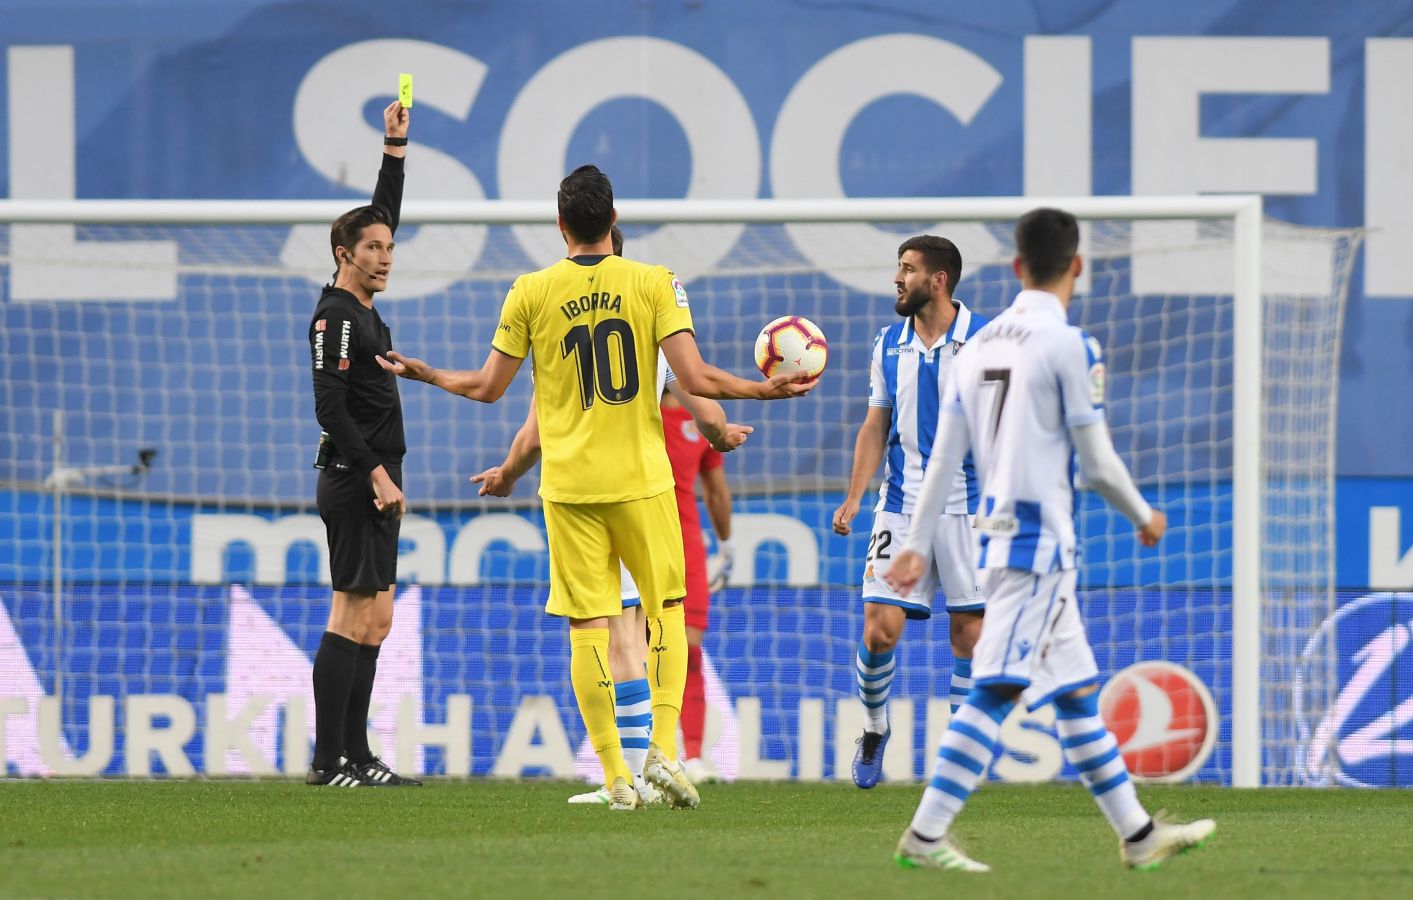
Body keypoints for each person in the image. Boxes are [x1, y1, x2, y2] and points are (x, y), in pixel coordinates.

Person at [378, 165, 813, 810]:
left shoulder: (530, 291)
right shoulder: (655, 282)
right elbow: (695, 379)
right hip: (642, 482)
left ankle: (615, 778)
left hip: (570, 489)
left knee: (589, 630)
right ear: (613, 218)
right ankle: (662, 749)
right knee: (665, 611)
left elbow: (488, 388)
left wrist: (428, 375)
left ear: (560, 225)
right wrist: (764, 391)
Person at [883, 207, 1213, 872]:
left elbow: (942, 456)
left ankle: (1138, 835)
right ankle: (924, 835)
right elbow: (1097, 464)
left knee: (1074, 696)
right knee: (995, 688)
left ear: (1016, 266)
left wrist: (915, 544)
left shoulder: (977, 345)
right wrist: (1143, 516)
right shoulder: (1069, 345)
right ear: (1077, 266)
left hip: (997, 537)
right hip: (1035, 545)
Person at [469, 227, 747, 806]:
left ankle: (624, 777)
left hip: (580, 496)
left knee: (607, 636)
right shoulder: (648, 309)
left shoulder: (550, 313)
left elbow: (531, 430)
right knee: (648, 629)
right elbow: (701, 399)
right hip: (641, 496)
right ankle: (653, 761)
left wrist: (507, 474)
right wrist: (725, 428)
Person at [831, 235, 988, 790]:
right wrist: (856, 495)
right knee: (880, 631)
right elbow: (876, 423)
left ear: (938, 280)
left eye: (907, 269)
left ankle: (959, 755)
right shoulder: (887, 343)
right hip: (900, 506)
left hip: (970, 509)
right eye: (899, 268)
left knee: (971, 636)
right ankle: (874, 729)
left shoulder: (986, 342)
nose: (897, 279)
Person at [305, 100, 420, 787]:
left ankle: (358, 755)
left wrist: (394, 150)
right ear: (343, 255)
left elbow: (383, 214)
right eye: (372, 248)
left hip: (379, 475)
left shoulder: (364, 307)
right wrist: (375, 473)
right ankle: (328, 761)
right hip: (355, 478)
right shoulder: (336, 317)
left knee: (377, 618)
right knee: (349, 613)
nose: (384, 257)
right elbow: (329, 406)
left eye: (389, 247)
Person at [660, 380, 736, 784]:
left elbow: (716, 490)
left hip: (685, 546)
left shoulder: (701, 417)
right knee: (629, 648)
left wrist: (725, 544)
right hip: (632, 540)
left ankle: (691, 755)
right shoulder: (629, 407)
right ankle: (633, 754)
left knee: (687, 649)